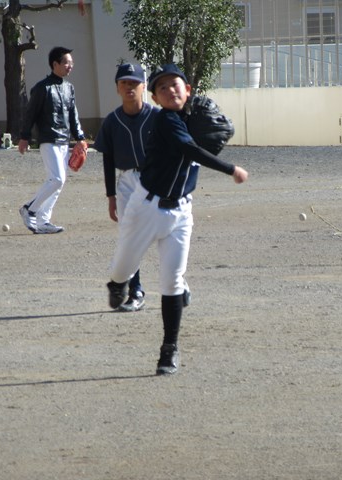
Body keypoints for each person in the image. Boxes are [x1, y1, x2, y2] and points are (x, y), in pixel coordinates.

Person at [105, 64, 249, 375]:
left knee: (172, 281)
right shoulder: (166, 120)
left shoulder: (191, 118)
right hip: (145, 209)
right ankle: (116, 285)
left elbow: (211, 134)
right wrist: (230, 169)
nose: (170, 90)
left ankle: (168, 350)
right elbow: (188, 148)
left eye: (176, 84)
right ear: (156, 98)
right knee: (122, 270)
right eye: (162, 87)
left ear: (188, 89)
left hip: (181, 212)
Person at [94, 63, 159, 312]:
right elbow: (108, 159)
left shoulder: (157, 117)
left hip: (155, 179)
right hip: (126, 182)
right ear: (117, 88)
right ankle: (135, 290)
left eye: (134, 82)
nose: (129, 87)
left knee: (164, 230)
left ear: (144, 87)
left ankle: (177, 282)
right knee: (129, 236)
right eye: (124, 83)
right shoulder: (112, 121)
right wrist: (111, 196)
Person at [18, 46, 86, 234]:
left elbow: (73, 115)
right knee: (56, 179)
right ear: (55, 64)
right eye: (66, 62)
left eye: (71, 63)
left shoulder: (69, 88)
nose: (70, 66)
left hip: (64, 140)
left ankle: (43, 221)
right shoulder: (41, 88)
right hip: (48, 139)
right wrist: (24, 137)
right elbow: (30, 114)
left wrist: (80, 138)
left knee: (58, 182)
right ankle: (29, 209)